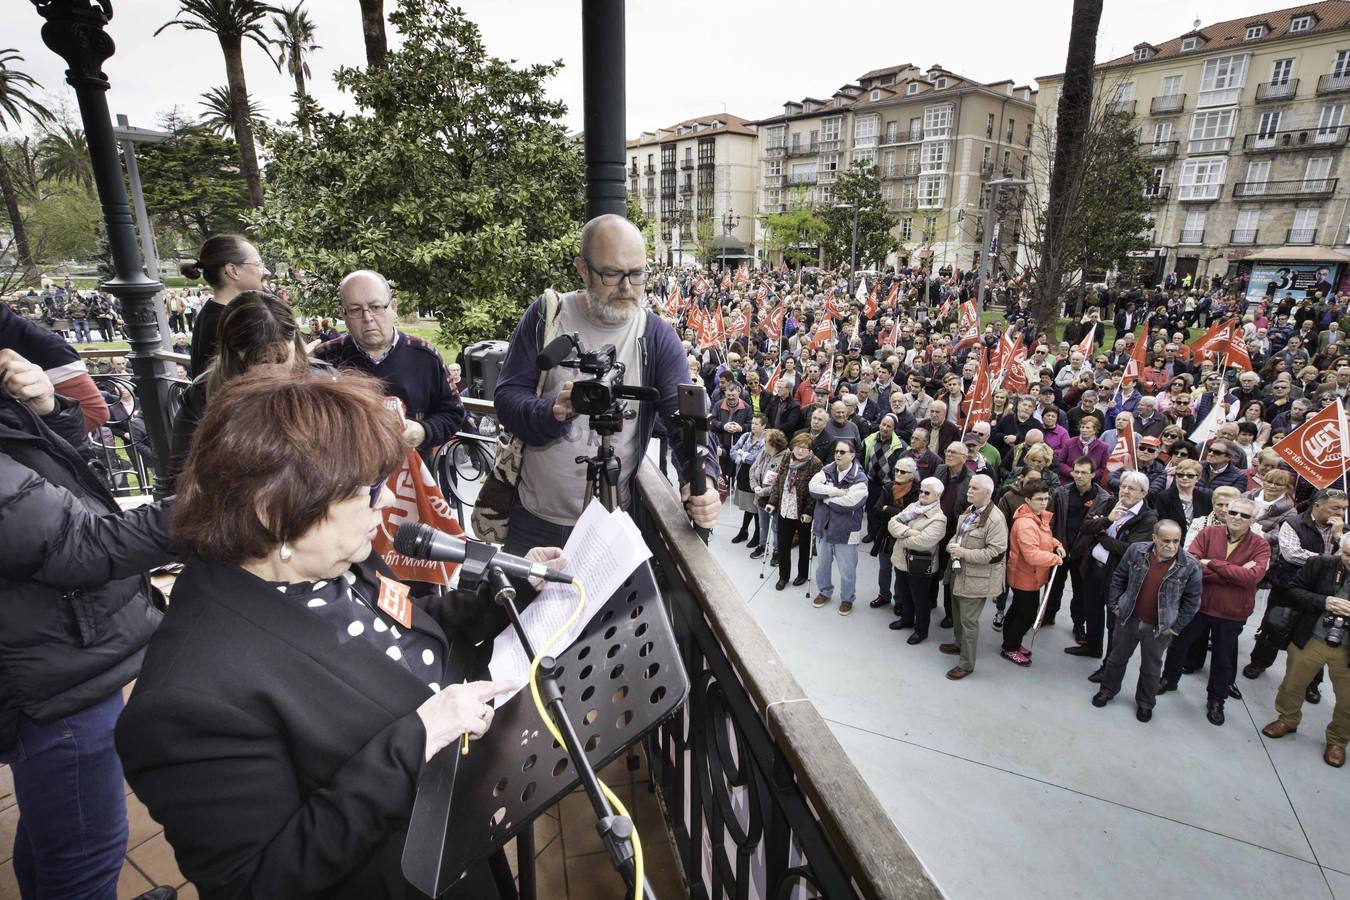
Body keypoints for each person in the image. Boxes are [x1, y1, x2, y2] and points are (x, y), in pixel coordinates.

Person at [116, 369, 524, 897]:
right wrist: (417, 739)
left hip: (454, 845)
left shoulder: (329, 559)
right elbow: (259, 881)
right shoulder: (188, 701)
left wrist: (506, 596)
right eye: (362, 493)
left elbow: (404, 627)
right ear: (275, 511)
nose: (381, 505)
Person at [0, 348, 175, 899]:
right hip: (50, 677)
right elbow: (79, 544)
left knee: (57, 826)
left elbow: (61, 481)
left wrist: (49, 410)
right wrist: (216, 509)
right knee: (87, 851)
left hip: (55, 656)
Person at [494, 215, 719, 554]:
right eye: (612, 274)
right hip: (536, 520)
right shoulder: (546, 316)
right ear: (582, 269)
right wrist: (551, 412)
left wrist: (704, 480)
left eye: (638, 273)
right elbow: (507, 399)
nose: (628, 287)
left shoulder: (655, 336)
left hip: (612, 521)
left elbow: (684, 421)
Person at [168, 290, 319, 491]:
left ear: (296, 343)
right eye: (258, 360)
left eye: (281, 358)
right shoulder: (202, 394)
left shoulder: (322, 382)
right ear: (232, 352)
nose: (272, 371)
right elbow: (180, 477)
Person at [316, 270, 466, 463]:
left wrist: (423, 431)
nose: (367, 317)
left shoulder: (426, 357)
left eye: (376, 306)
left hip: (412, 484)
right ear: (343, 314)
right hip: (345, 484)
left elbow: (453, 414)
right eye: (355, 310)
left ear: (393, 307)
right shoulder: (323, 360)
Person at [1159, 496, 1269, 725]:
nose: (1237, 518)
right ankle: (1168, 679)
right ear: (1225, 514)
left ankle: (1216, 700)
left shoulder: (1261, 545)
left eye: (1244, 515)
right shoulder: (1208, 533)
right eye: (1233, 512)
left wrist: (1213, 563)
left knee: (1223, 659)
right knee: (1178, 645)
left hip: (1231, 613)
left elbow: (1253, 577)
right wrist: (1235, 572)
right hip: (1198, 605)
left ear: (1253, 520)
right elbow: (1191, 565)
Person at [1091, 520, 1203, 722]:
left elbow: (1193, 601)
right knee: (1116, 659)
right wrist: (1115, 604)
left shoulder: (1190, 566)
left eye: (1176, 541)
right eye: (1165, 540)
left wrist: (1175, 628)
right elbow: (1119, 577)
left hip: (1159, 628)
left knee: (1151, 669)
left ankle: (1145, 703)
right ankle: (1107, 690)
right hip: (1128, 619)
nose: (1171, 546)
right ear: (1154, 539)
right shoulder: (1136, 551)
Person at [1245, 488, 1347, 697]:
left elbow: (1345, 561)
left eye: (1344, 509)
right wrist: (1325, 561)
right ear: (1317, 505)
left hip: (1322, 594)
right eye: (1336, 508)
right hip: (1288, 586)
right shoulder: (1293, 523)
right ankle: (1259, 662)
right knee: (1274, 626)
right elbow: (1292, 554)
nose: (1341, 513)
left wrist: (1339, 537)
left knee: (1315, 636)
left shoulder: (1343, 531)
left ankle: (1312, 683)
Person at [1260, 533, 1350, 769]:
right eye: (1348, 555)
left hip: (1347, 650)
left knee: (1348, 700)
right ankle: (1287, 719)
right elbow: (1295, 589)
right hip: (1311, 638)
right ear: (1340, 550)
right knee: (1292, 684)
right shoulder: (1321, 564)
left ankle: (1338, 740)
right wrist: (1325, 602)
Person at [1068, 471, 1158, 666]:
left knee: (1114, 624)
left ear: (1143, 493)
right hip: (1094, 569)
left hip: (1118, 577)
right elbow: (1085, 526)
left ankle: (1109, 664)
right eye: (1123, 487)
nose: (1124, 491)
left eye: (1131, 489)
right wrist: (1107, 520)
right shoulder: (1109, 503)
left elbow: (1130, 549)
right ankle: (1092, 647)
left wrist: (1101, 537)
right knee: (1092, 611)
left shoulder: (1148, 518)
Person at [940, 474, 1007, 678]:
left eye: (974, 488)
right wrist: (953, 543)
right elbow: (961, 534)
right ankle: (959, 644)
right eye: (969, 487)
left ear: (987, 493)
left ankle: (966, 664)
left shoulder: (995, 519)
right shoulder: (972, 510)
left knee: (969, 623)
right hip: (959, 573)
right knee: (958, 614)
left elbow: (995, 553)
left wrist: (963, 553)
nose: (969, 491)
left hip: (976, 579)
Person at [182, 234, 272, 377]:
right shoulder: (236, 322)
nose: (267, 271)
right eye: (258, 264)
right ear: (232, 271)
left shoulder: (211, 311)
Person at [1045, 457, 1110, 641]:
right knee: (1053, 586)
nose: (1079, 476)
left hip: (1084, 554)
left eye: (1084, 472)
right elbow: (1051, 519)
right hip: (1061, 548)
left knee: (1080, 592)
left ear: (1093, 474)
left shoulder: (1103, 498)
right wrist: (1053, 543)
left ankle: (1078, 625)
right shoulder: (1061, 492)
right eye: (1076, 472)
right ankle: (1048, 615)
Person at [1001, 481, 1064, 666]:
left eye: (1046, 498)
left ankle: (1010, 642)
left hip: (1030, 575)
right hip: (1025, 576)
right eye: (1039, 499)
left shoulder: (1037, 517)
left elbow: (1044, 538)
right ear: (1027, 499)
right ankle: (1011, 648)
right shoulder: (1026, 524)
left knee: (1017, 610)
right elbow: (1031, 555)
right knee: (1027, 614)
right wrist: (1054, 559)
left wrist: (1056, 544)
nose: (1044, 502)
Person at [808, 440, 869, 614]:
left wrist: (826, 496)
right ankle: (824, 591)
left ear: (852, 455)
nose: (838, 455)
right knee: (823, 565)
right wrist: (835, 492)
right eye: (836, 452)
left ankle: (847, 598)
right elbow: (813, 488)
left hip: (846, 532)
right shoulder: (827, 470)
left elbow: (850, 503)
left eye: (842, 452)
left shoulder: (860, 478)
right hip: (824, 528)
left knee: (847, 570)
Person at [888, 477, 948, 643]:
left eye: (927, 492)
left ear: (938, 495)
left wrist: (901, 535)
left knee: (920, 600)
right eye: (921, 491)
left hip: (920, 566)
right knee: (904, 594)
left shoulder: (939, 519)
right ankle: (907, 620)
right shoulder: (912, 507)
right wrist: (909, 532)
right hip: (902, 561)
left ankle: (921, 631)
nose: (922, 494)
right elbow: (892, 523)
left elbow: (924, 542)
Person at [767, 433, 822, 591]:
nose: (799, 450)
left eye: (804, 448)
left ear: (810, 450)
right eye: (797, 446)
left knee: (804, 544)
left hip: (802, 511)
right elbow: (778, 481)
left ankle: (802, 574)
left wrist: (809, 512)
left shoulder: (815, 463)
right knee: (784, 545)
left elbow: (815, 491)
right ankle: (783, 576)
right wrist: (772, 502)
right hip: (785, 507)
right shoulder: (787, 458)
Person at [749, 428, 788, 561]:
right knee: (762, 524)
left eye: (766, 441)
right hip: (760, 496)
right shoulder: (763, 453)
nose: (763, 443)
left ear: (774, 444)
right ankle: (762, 546)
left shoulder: (786, 457)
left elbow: (781, 482)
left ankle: (777, 551)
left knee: (776, 527)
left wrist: (764, 491)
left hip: (775, 499)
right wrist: (755, 487)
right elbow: (752, 469)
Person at [729, 414, 766, 545]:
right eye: (752, 423)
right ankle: (744, 531)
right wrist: (744, 456)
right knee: (748, 507)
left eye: (756, 424)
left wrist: (742, 455)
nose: (753, 426)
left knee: (756, 508)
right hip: (742, 476)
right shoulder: (745, 436)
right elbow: (732, 452)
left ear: (764, 426)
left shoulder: (766, 441)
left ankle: (757, 534)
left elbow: (757, 459)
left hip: (756, 479)